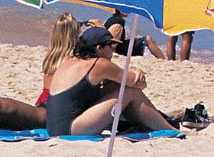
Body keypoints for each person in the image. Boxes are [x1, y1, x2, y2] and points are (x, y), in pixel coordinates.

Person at [45, 27, 175, 136]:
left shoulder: (72, 61)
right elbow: (138, 84)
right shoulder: (99, 64)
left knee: (113, 86)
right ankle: (170, 129)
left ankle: (151, 122)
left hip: (54, 127)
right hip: (70, 129)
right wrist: (137, 70)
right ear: (99, 48)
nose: (113, 50)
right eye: (110, 46)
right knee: (130, 92)